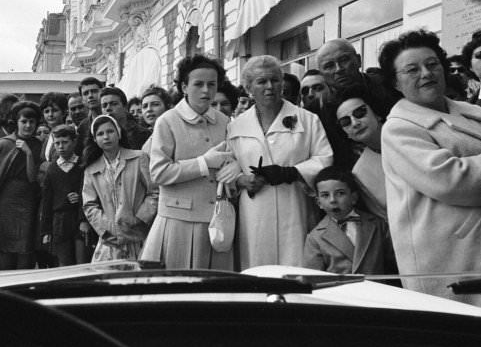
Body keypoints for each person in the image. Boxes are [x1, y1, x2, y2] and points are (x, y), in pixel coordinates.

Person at [379, 29, 481, 305]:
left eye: (432, 64)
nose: (426, 73)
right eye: (412, 69)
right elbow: (451, 181)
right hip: (450, 257)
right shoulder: (399, 129)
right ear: (396, 83)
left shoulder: (468, 110)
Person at [219, 55, 332, 269]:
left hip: (295, 208)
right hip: (254, 213)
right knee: (258, 271)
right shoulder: (236, 126)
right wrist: (242, 180)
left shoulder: (307, 119)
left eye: (275, 80)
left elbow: (325, 159)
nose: (270, 86)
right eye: (261, 81)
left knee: (297, 267)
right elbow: (227, 163)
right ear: (249, 88)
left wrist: (292, 172)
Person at [140, 55, 234, 270]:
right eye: (198, 84)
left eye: (212, 84)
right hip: (179, 222)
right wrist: (203, 163)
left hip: (218, 220)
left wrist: (234, 167)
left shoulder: (224, 121)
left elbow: (231, 157)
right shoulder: (168, 121)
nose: (206, 91)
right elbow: (159, 173)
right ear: (184, 86)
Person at [313, 38, 401, 170]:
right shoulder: (316, 111)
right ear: (321, 74)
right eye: (329, 66)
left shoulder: (389, 86)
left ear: (358, 60)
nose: (338, 69)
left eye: (344, 60)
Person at [82, 115, 158, 262]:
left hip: (139, 236)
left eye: (110, 131)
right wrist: (107, 227)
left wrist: (140, 218)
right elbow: (89, 205)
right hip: (109, 240)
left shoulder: (139, 158)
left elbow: (154, 192)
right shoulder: (91, 170)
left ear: (119, 133)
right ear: (94, 139)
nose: (106, 137)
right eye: (100, 134)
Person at [0, 101, 43, 270]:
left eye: (32, 122)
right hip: (6, 202)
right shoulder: (4, 143)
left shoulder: (37, 145)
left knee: (26, 246)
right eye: (24, 122)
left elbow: (32, 178)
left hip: (29, 202)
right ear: (17, 122)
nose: (28, 126)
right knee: (5, 246)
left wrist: (28, 153)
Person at [304, 167, 391, 274]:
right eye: (325, 195)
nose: (333, 200)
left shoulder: (378, 225)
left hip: (376, 289)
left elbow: (396, 261)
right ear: (319, 203)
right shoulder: (315, 238)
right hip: (340, 291)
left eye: (340, 193)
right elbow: (313, 278)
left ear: (354, 198)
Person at [334, 85, 388, 221]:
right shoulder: (360, 172)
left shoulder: (409, 135)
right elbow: (385, 217)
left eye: (360, 113)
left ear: (377, 113)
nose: (355, 123)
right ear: (346, 134)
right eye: (345, 122)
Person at [40, 125, 89, 265]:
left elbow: (88, 191)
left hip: (79, 220)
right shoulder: (52, 169)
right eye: (57, 143)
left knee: (82, 261)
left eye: (65, 142)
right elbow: (47, 202)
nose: (61, 146)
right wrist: (46, 230)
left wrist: (83, 218)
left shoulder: (82, 165)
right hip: (60, 222)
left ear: (74, 142)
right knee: (64, 263)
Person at [75, 76, 104, 155]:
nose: (90, 96)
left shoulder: (115, 118)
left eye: (94, 91)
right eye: (86, 93)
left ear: (102, 93)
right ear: (82, 99)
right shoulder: (82, 127)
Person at [39, 91, 68, 162]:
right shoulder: (48, 137)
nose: (50, 115)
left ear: (64, 112)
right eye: (46, 111)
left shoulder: (68, 135)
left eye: (54, 110)